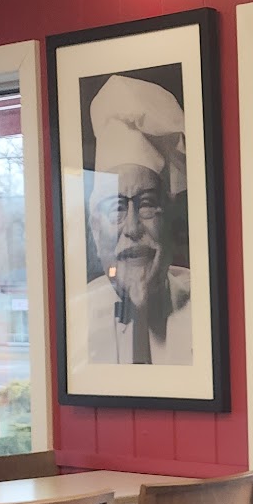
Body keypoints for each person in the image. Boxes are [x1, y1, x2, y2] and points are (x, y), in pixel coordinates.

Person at [82, 74, 192, 366]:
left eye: (146, 204)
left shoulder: (203, 306)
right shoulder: (76, 318)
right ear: (96, 230)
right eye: (116, 208)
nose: (132, 228)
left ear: (169, 220)